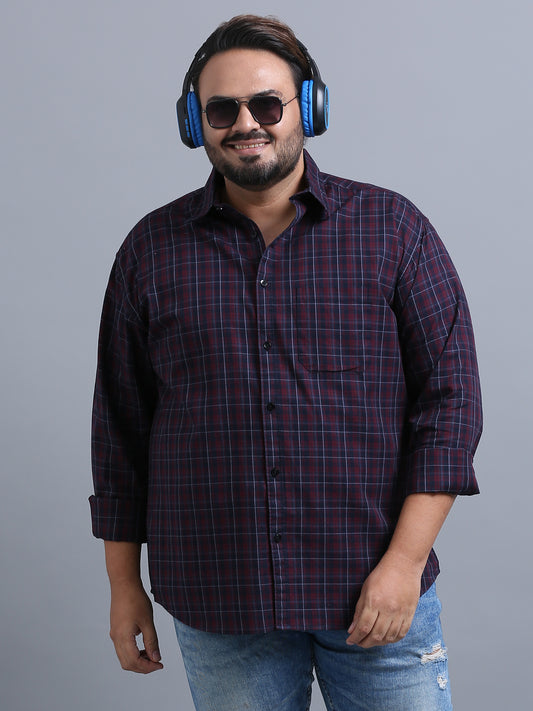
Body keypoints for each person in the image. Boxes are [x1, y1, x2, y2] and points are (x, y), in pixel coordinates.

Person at [90, 14, 482, 711]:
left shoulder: (393, 230)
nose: (246, 124)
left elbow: (450, 405)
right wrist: (124, 586)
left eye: (268, 104)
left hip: (375, 592)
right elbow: (120, 431)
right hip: (218, 600)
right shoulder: (149, 251)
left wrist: (404, 562)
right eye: (221, 109)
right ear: (194, 122)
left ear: (309, 108)